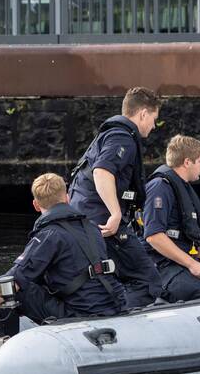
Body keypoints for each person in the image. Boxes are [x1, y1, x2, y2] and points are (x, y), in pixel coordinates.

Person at [0, 173, 126, 333]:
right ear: (68, 198)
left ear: (36, 205)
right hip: (113, 305)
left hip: (80, 313)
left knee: (13, 288)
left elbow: (12, 281)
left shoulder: (49, 235)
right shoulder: (92, 227)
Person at [68, 87, 163, 308]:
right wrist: (116, 213)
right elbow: (101, 171)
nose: (154, 125)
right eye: (154, 118)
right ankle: (116, 323)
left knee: (109, 278)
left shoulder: (109, 134)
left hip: (86, 221)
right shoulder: (122, 138)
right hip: (104, 225)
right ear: (142, 114)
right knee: (147, 281)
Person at [141, 135, 200, 302]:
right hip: (165, 269)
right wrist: (192, 265)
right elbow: (154, 236)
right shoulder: (160, 188)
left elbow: (191, 233)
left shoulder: (183, 189)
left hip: (185, 265)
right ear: (187, 162)